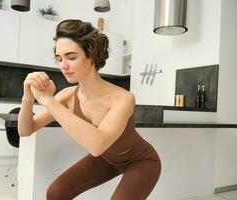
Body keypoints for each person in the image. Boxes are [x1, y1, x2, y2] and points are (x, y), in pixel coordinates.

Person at [18, 19, 161, 200]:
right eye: (59, 58)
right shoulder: (68, 95)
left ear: (92, 55)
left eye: (71, 57)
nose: (63, 65)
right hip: (107, 160)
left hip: (141, 162)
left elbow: (97, 145)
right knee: (55, 193)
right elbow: (25, 130)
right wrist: (28, 99)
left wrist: (47, 100)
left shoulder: (123, 98)